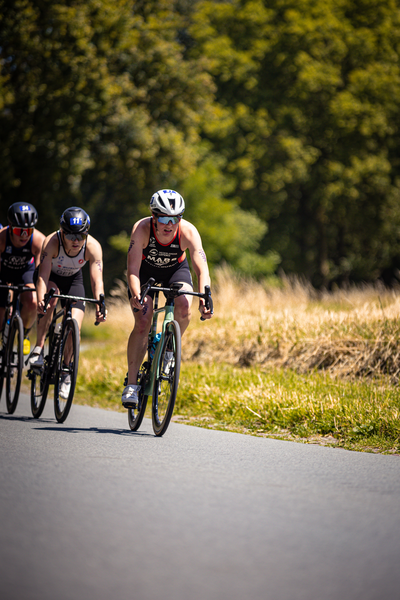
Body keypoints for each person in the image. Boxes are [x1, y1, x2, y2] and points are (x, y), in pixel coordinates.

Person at [122, 189, 213, 408]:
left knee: (184, 307)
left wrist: (205, 297)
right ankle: (132, 384)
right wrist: (136, 294)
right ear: (153, 217)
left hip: (175, 270)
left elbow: (202, 269)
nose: (169, 224)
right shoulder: (141, 229)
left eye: (175, 218)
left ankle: (168, 350)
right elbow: (132, 269)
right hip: (145, 274)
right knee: (143, 321)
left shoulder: (188, 231)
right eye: (163, 218)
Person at [29, 206, 106, 397]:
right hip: (50, 278)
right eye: (70, 236)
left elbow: (97, 280)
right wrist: (41, 299)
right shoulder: (51, 242)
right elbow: (42, 277)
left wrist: (100, 304)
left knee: (75, 327)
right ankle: (38, 347)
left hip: (73, 279)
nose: (76, 241)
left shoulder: (93, 246)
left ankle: (65, 370)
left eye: (81, 236)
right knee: (51, 297)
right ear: (62, 232)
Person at [0, 203, 45, 355]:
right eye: (20, 231)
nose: (24, 235)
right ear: (11, 227)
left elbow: (40, 274)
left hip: (26, 272)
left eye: (28, 231)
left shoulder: (39, 240)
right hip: (4, 272)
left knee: (32, 300)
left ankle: (24, 334)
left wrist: (40, 298)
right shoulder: (1, 237)